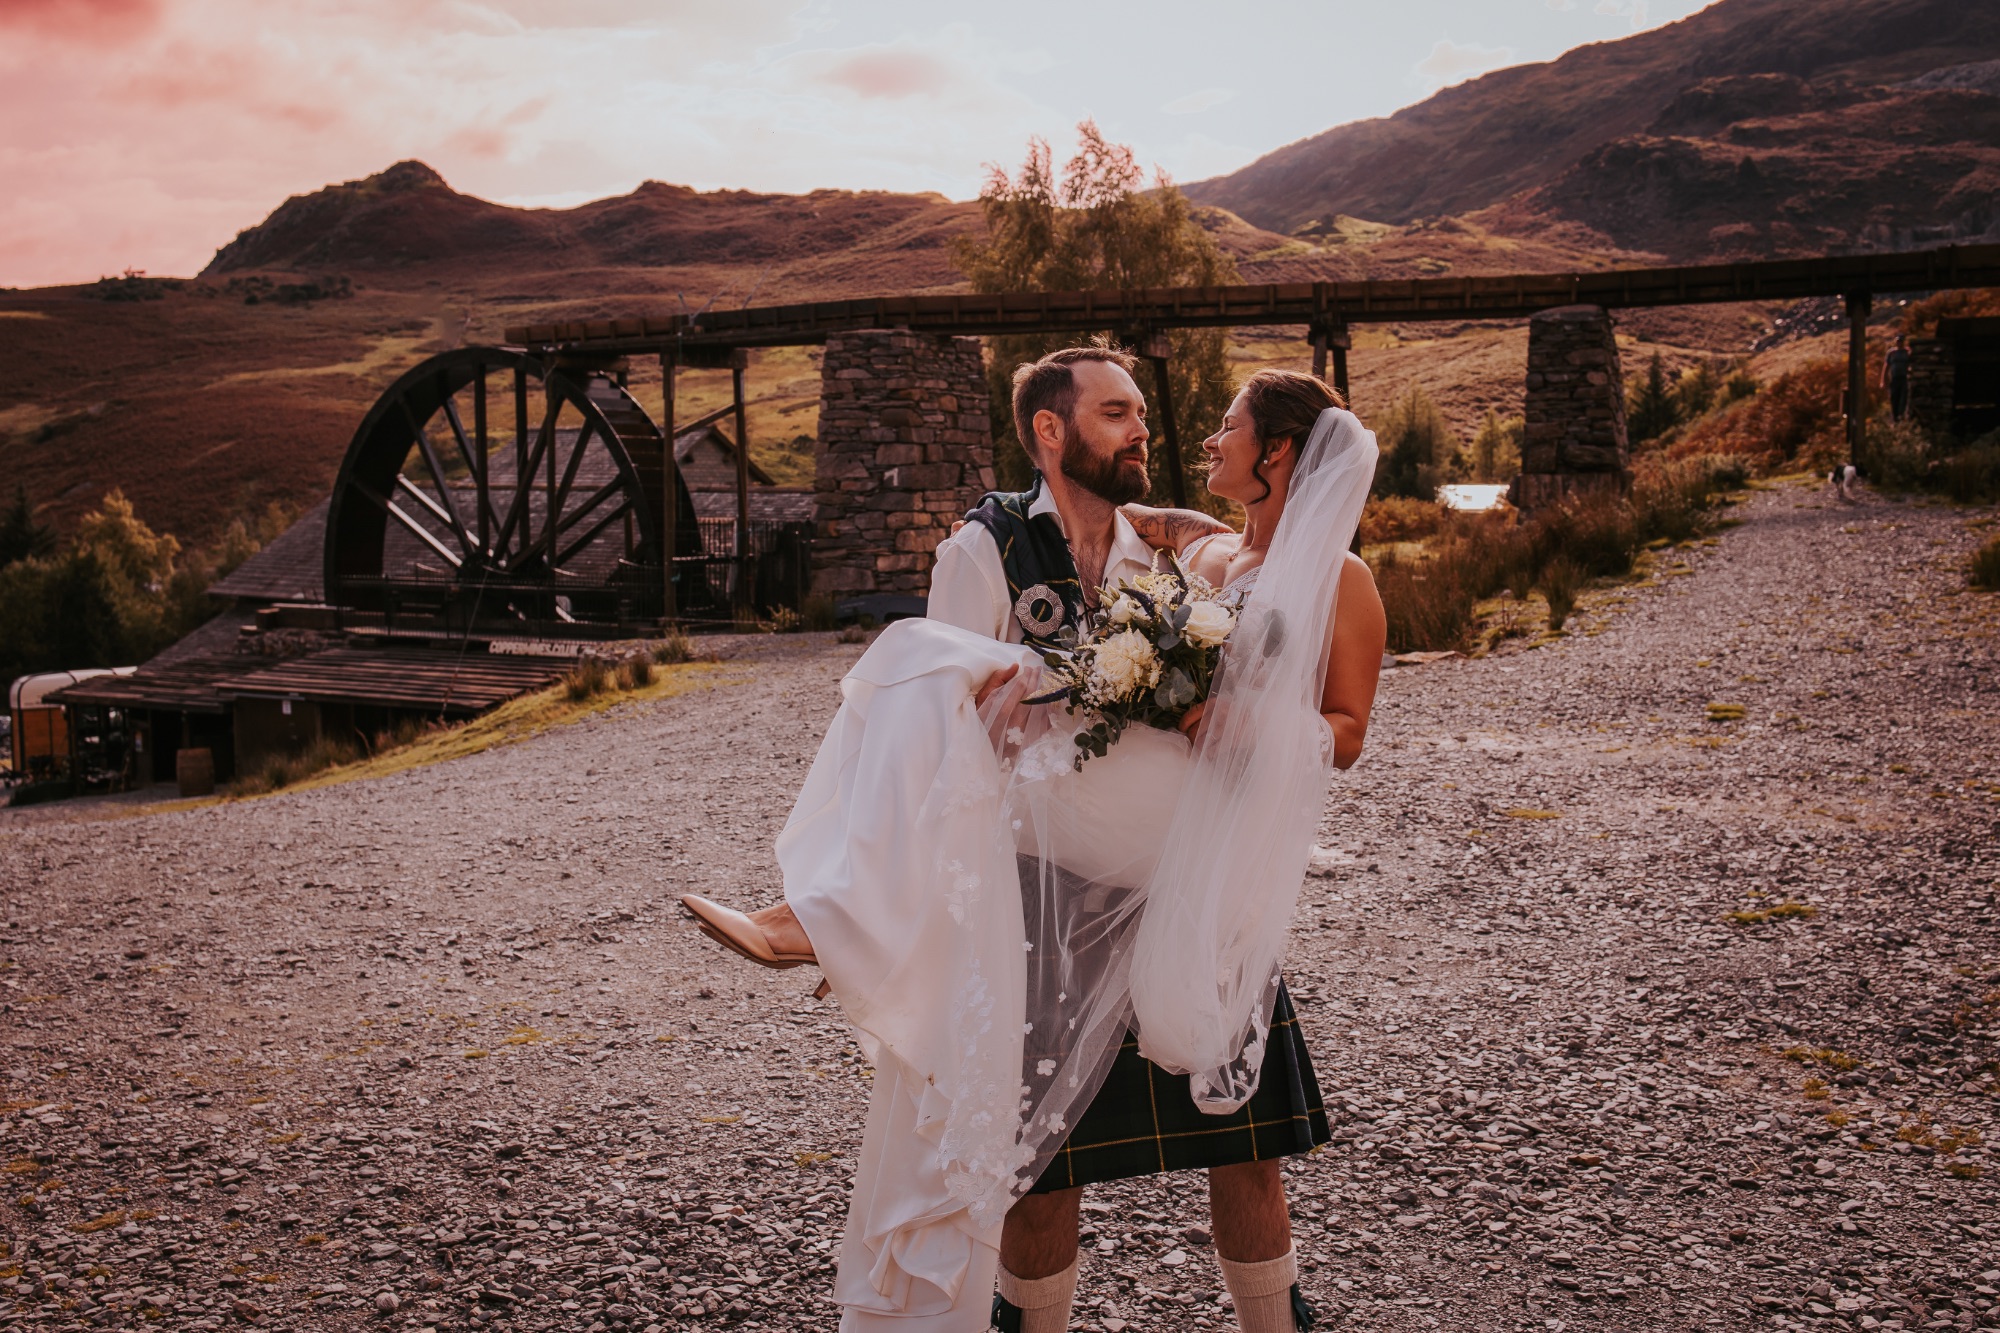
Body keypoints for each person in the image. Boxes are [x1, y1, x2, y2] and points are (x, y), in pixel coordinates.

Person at [683, 354, 1384, 1333]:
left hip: (1199, 878)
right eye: (1124, 412)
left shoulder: (1337, 577)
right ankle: (834, 914)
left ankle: (834, 918)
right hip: (1067, 884)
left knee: (1243, 1149)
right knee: (1044, 1160)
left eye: (1220, 425)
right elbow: (1175, 537)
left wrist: (1231, 723)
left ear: (1271, 451)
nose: (1188, 435)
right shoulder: (1197, 553)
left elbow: (1344, 731)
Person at [1882, 334, 1912, 423]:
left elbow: (1911, 363)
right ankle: (1895, 419)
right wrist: (1883, 380)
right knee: (1894, 398)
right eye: (1898, 341)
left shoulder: (1907, 352)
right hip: (1894, 379)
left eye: (1901, 341)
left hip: (1904, 378)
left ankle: (1901, 416)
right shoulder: (1891, 353)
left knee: (1903, 398)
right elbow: (1886, 367)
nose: (1899, 343)